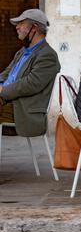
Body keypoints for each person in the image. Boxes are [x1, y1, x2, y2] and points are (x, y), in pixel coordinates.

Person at [0, 9, 60, 137]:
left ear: (34, 28)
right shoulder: (23, 51)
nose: (17, 27)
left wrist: (2, 90)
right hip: (6, 100)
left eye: (21, 23)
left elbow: (30, 84)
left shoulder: (47, 55)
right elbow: (7, 72)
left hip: (21, 108)